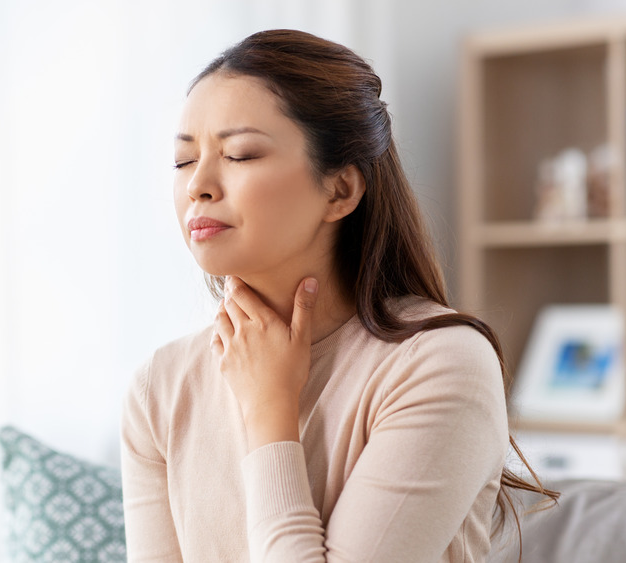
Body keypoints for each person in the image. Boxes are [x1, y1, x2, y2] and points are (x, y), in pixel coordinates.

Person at [120, 29, 555, 562]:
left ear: (341, 189)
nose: (198, 186)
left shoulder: (441, 365)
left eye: (239, 154)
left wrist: (269, 408)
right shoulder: (160, 389)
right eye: (184, 161)